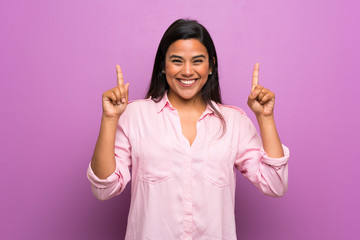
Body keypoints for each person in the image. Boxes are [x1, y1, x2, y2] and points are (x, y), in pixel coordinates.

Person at [87, 19, 289, 240]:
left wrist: (265, 117)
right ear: (163, 66)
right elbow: (104, 189)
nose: (187, 71)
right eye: (176, 61)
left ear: (210, 66)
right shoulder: (134, 116)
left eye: (197, 61)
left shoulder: (234, 122)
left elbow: (275, 184)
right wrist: (109, 119)